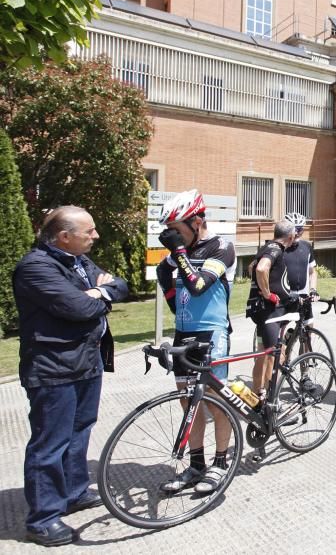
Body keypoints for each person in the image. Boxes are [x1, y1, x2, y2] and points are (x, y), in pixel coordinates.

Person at [14, 206, 128, 546]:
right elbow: (79, 308)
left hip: (86, 362)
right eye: (88, 232)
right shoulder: (36, 267)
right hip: (53, 368)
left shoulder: (77, 261)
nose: (95, 236)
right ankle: (44, 518)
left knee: (80, 432)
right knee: (50, 443)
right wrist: (95, 296)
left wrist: (101, 292)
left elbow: (119, 286)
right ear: (64, 237)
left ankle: (75, 491)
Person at [155, 189, 238, 496]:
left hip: (212, 333)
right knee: (188, 402)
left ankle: (221, 461)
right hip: (184, 332)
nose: (173, 237)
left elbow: (200, 285)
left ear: (197, 221)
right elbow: (171, 286)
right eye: (170, 233)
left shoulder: (222, 247)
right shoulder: (176, 256)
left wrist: (178, 254)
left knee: (216, 403)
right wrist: (170, 271)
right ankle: (197, 464)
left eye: (177, 231)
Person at [245, 220, 296, 393]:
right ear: (290, 236)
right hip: (271, 312)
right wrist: (268, 294)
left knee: (262, 354)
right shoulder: (275, 249)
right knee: (274, 356)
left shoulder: (266, 247)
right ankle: (270, 402)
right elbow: (260, 269)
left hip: (261, 312)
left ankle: (257, 394)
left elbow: (251, 267)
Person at [282, 212, 319, 325]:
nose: (297, 233)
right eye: (295, 229)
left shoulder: (307, 246)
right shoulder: (279, 248)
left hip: (304, 297)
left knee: (308, 331)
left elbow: (312, 272)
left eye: (300, 229)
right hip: (285, 297)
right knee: (279, 336)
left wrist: (313, 290)